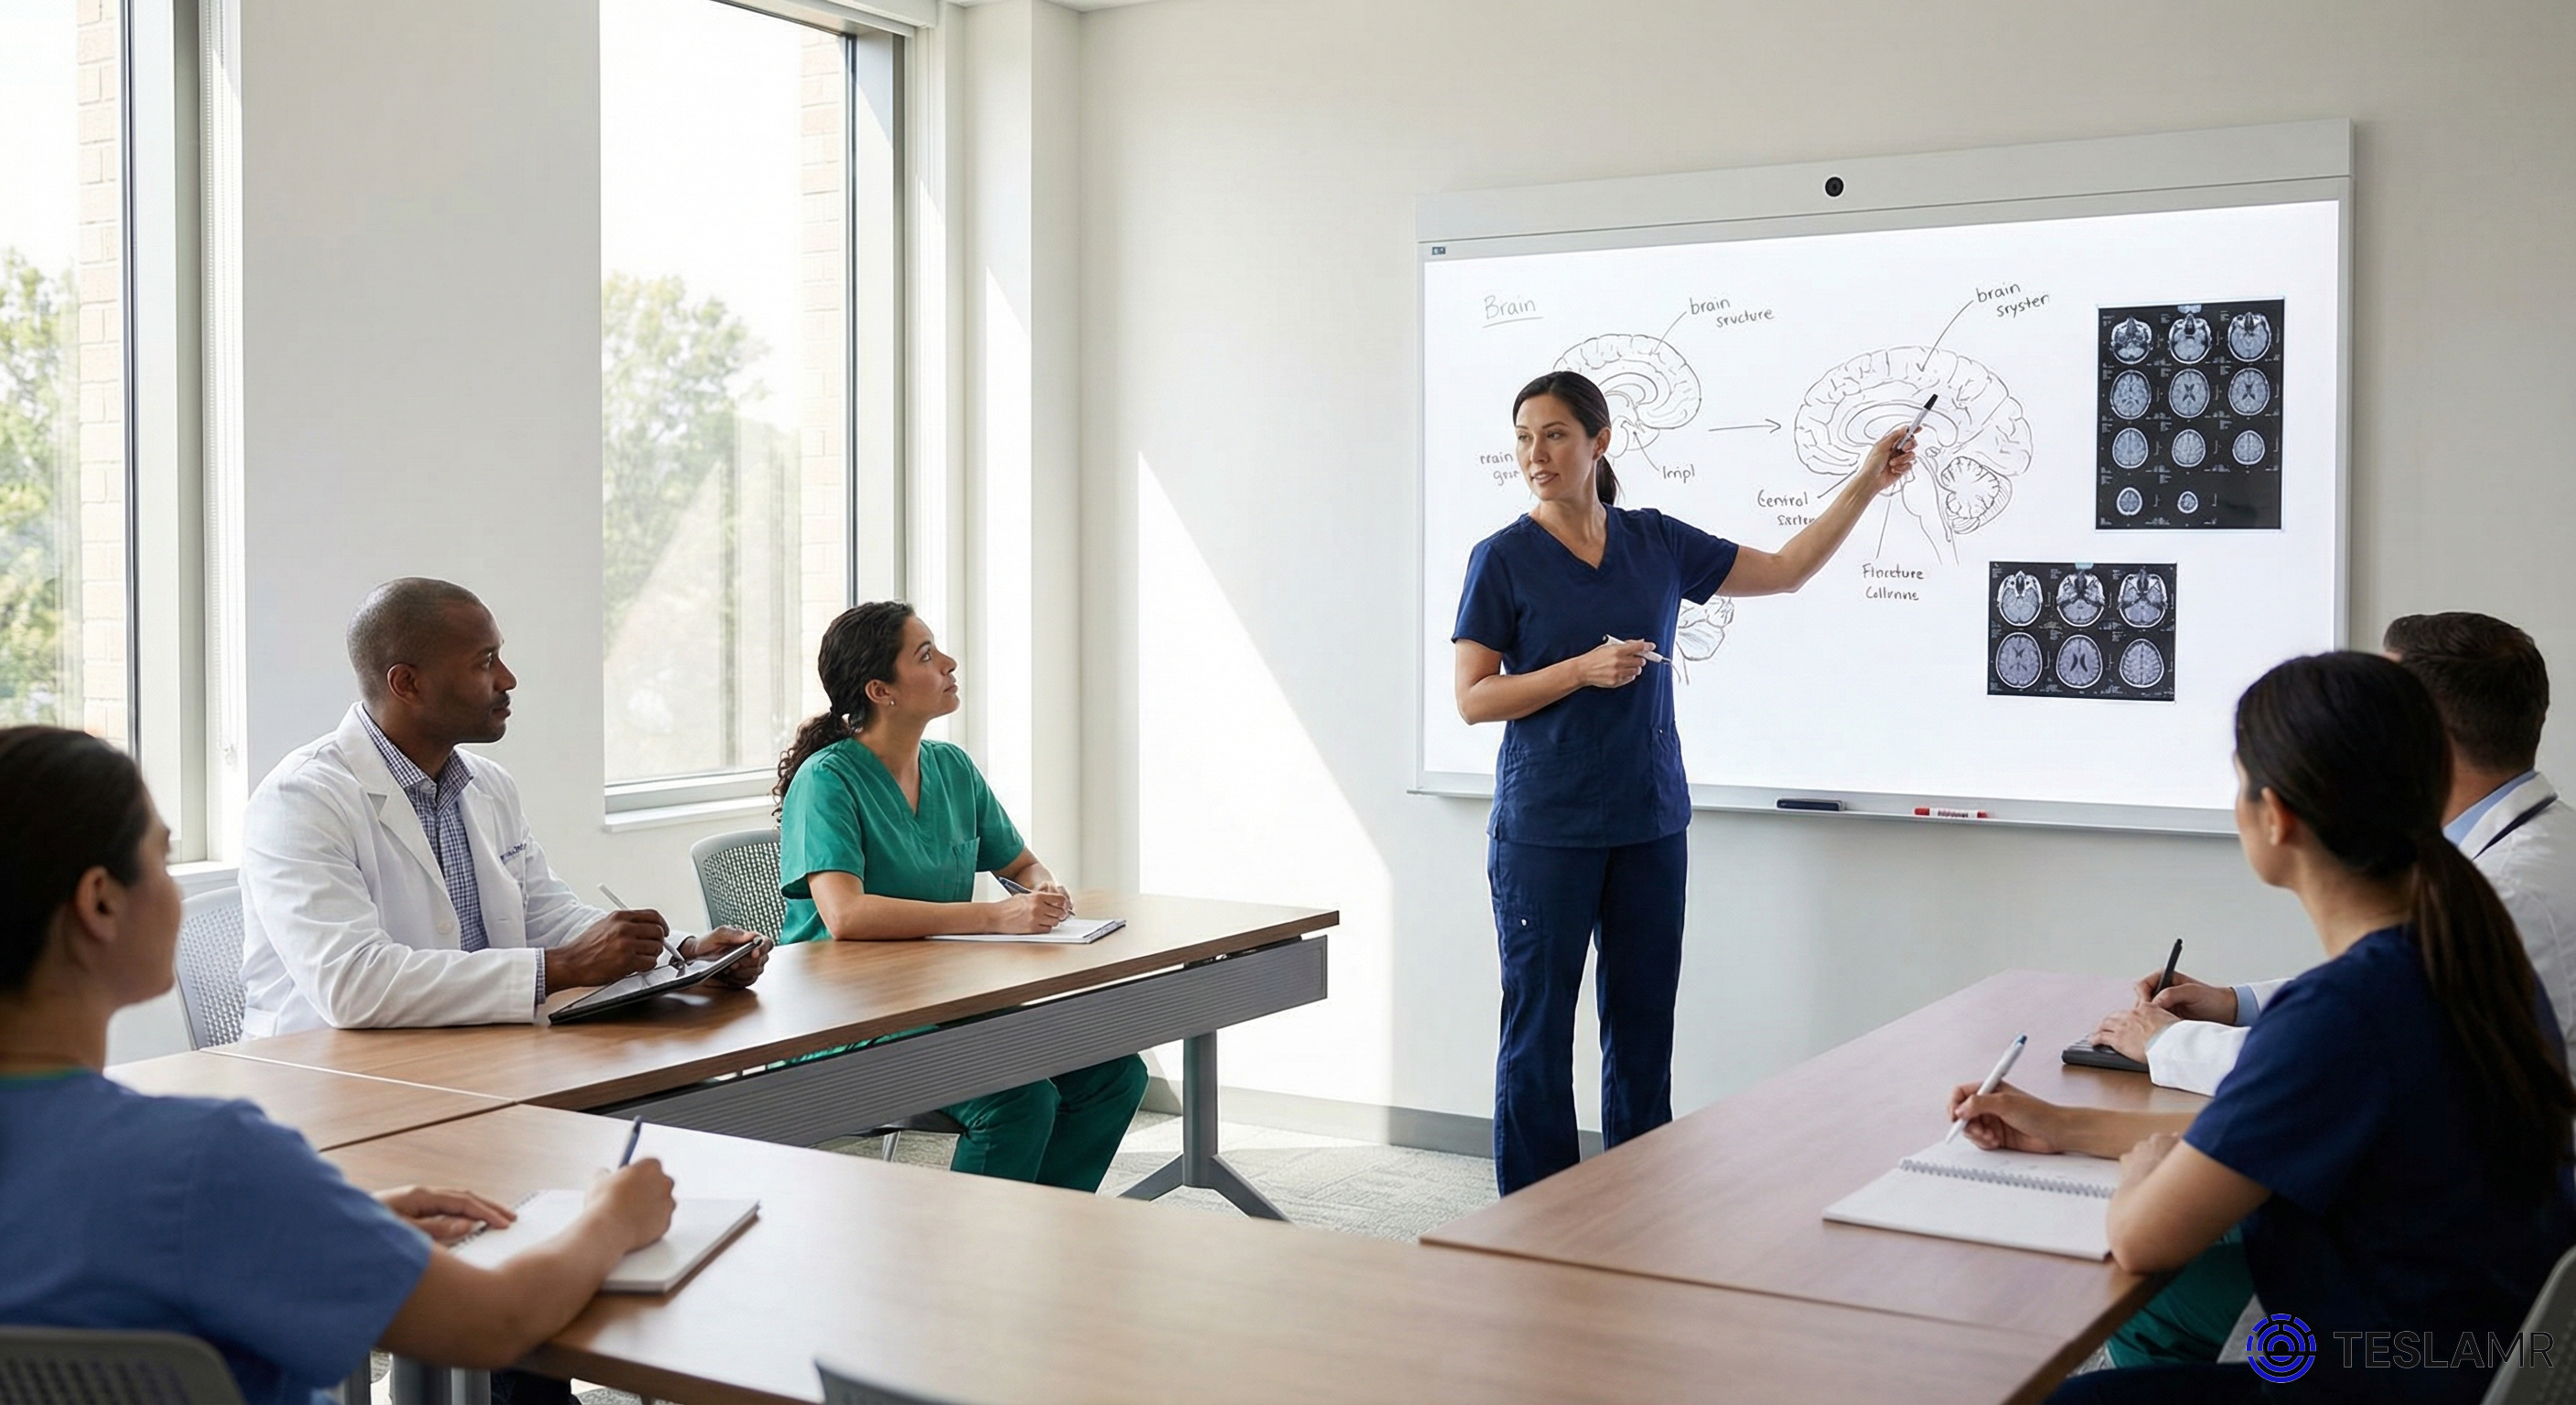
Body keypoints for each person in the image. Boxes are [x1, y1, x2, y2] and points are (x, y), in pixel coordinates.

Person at [1949, 654, 2576, 1403]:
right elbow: (2266, 1134)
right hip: (2457, 1360)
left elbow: (2141, 1235)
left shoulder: (2344, 1013)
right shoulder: (2465, 957)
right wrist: (2062, 1125)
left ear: (2274, 816)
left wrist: (2140, 1175)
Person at [0, 726, 678, 1405]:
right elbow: (495, 1322)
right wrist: (614, 1217)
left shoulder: (208, 1179)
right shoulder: (208, 1160)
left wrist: (321, 1218)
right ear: (100, 902)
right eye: (162, 858)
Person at [1451, 369, 1917, 1194]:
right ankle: (1529, 1222)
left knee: (1640, 1032)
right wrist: (1581, 670)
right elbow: (1473, 698)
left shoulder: (1656, 541)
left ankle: (1635, 1210)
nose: (1536, 454)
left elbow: (1785, 569)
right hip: (1545, 829)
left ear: (1600, 441)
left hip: (1649, 823)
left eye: (1555, 434)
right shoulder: (1502, 559)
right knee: (1537, 1033)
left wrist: (1865, 486)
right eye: (1523, 437)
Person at [240, 578, 767, 1035]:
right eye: (485, 662)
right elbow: (353, 984)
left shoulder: (488, 785)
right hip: (330, 1078)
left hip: (473, 1052)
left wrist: (681, 953)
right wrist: (557, 969)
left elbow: (545, 914)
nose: (508, 679)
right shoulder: (301, 801)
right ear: (407, 683)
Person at [2091, 613, 2571, 1091]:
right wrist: (2237, 1005)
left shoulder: (2507, 896)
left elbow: (2345, 1063)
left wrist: (2168, 1044)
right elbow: (2378, 1000)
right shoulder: (2534, 843)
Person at [775, 601, 1147, 1189]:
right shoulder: (827, 779)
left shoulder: (951, 767)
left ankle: (1045, 1237)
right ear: (881, 690)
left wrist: (1041, 889)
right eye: (925, 655)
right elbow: (845, 915)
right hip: (847, 1021)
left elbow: (1021, 863)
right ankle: (975, 1263)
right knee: (1018, 1102)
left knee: (1115, 1075)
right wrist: (998, 918)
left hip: (942, 1003)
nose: (949, 663)